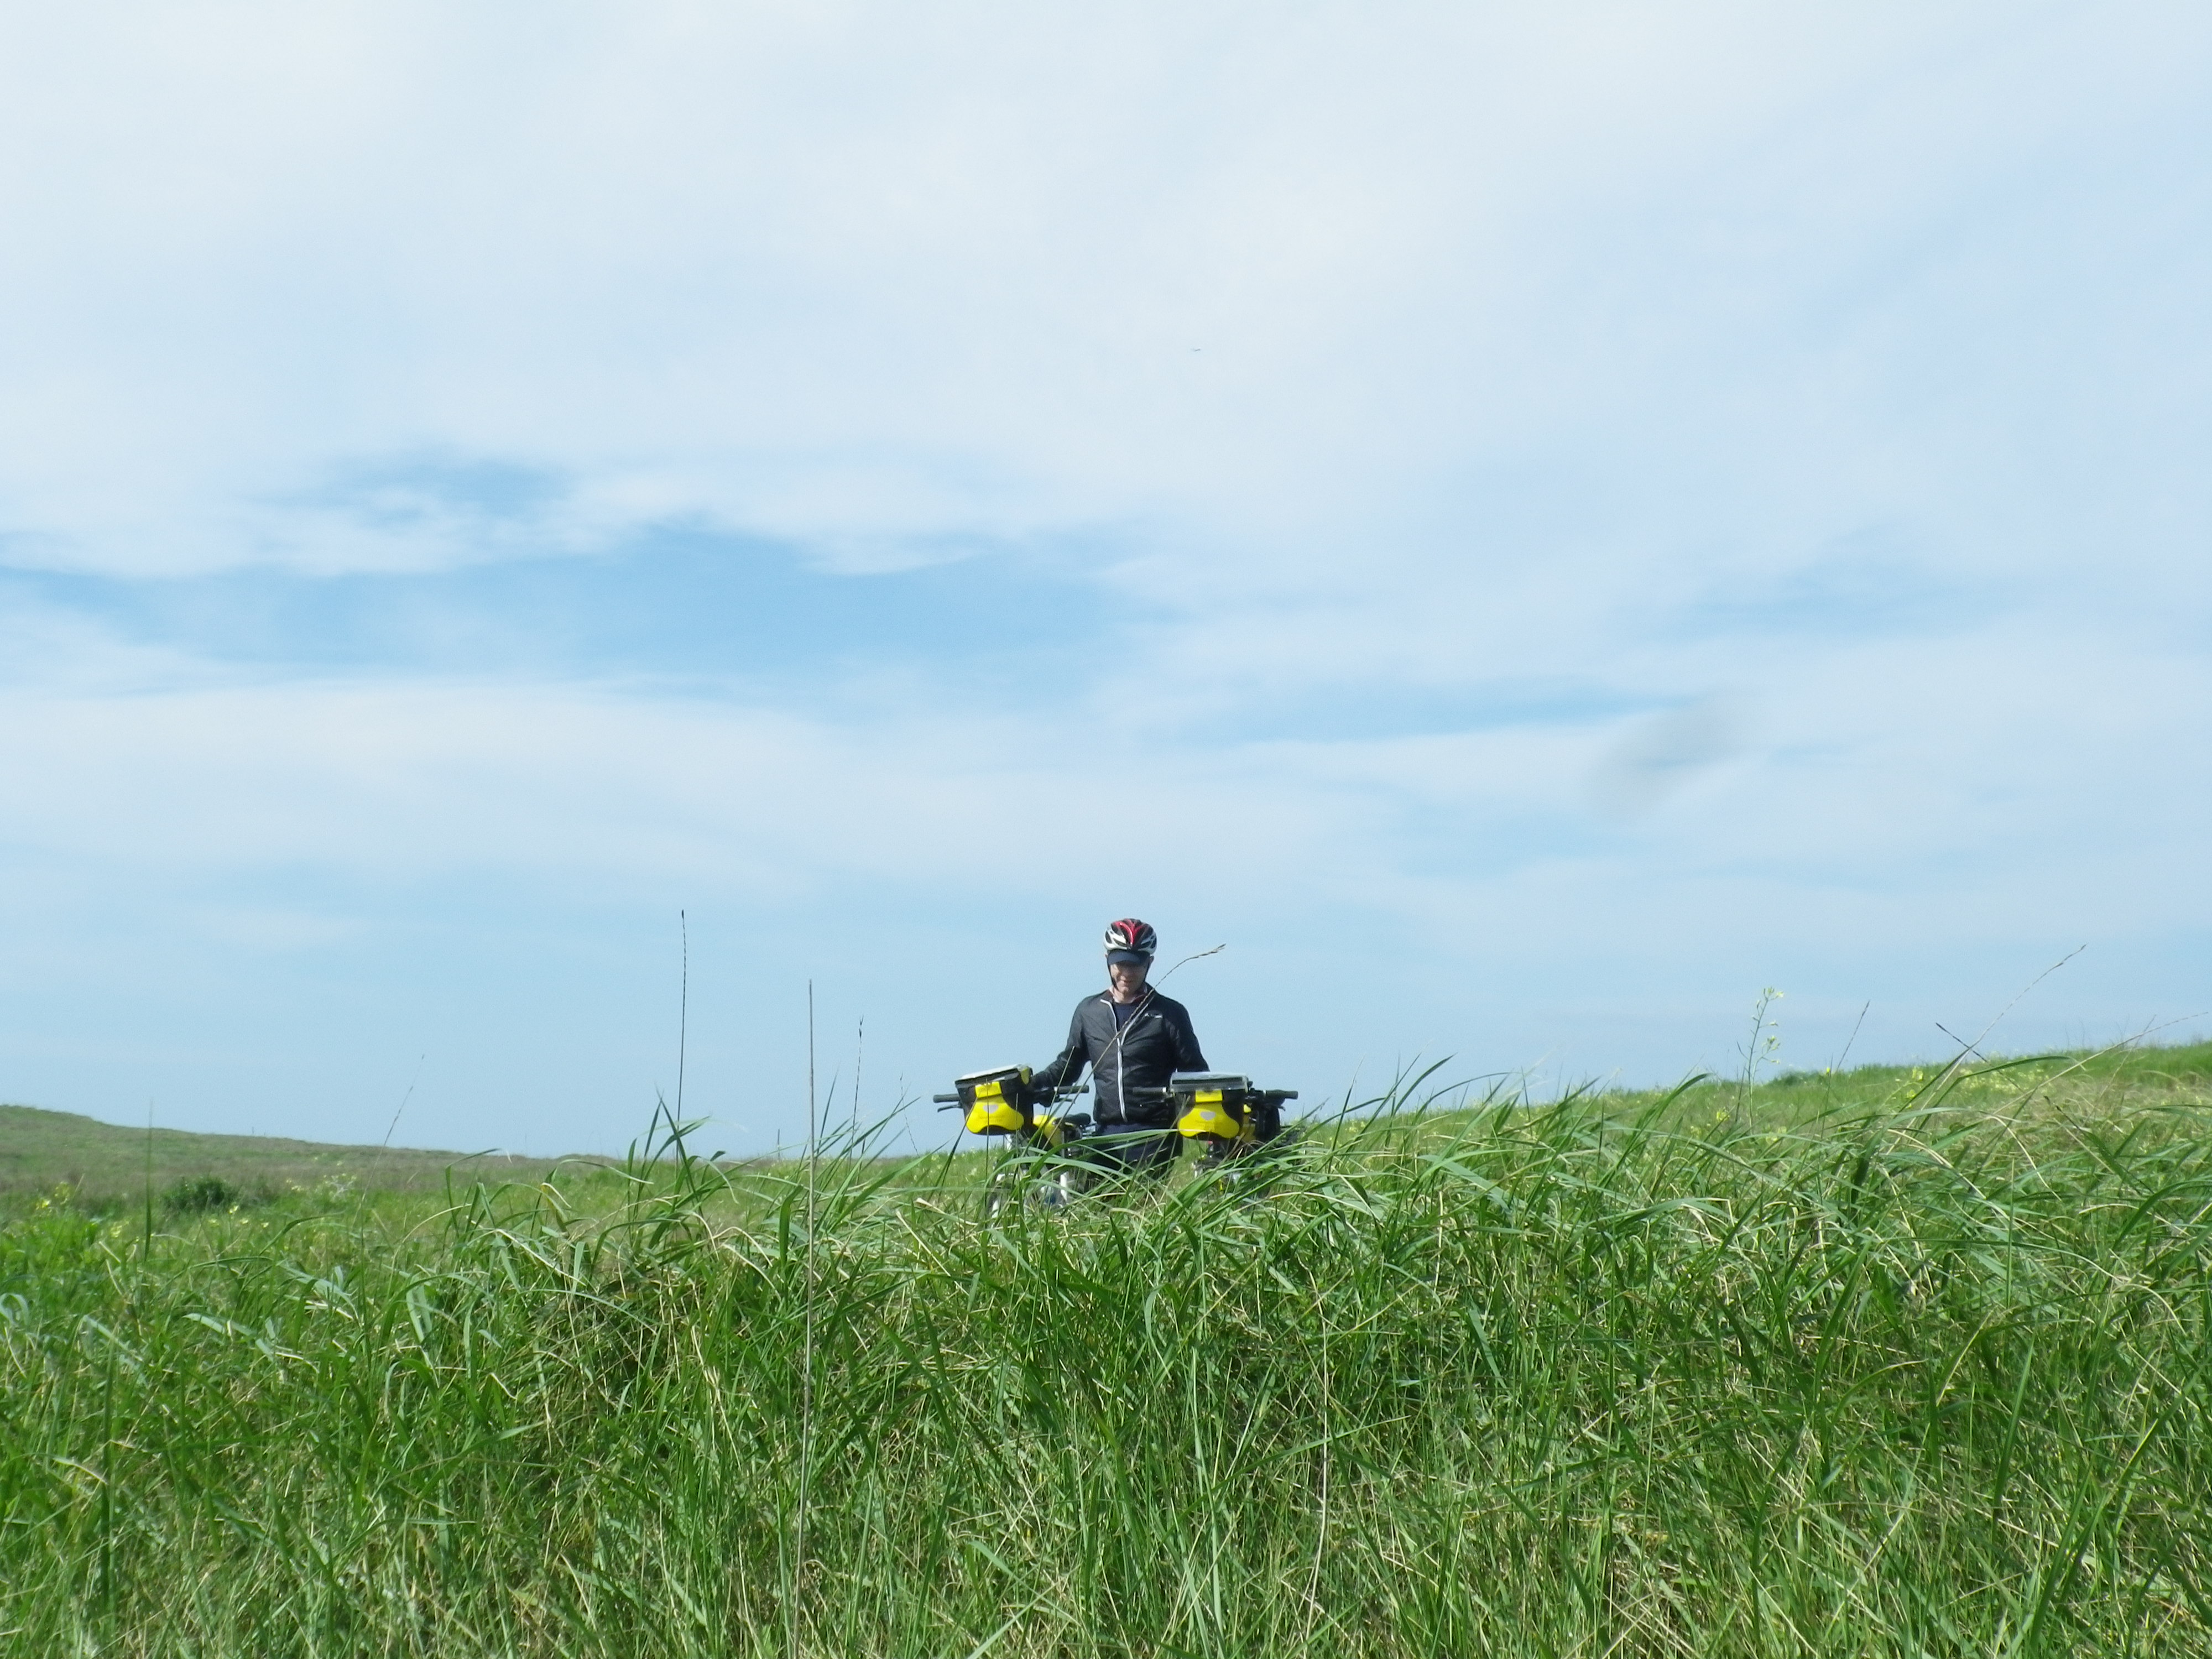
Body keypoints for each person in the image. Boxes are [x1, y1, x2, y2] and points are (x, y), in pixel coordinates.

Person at [1030, 919, 1207, 1176]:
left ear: (1150, 963)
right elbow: (1067, 1066)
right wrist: (1028, 1085)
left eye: (1136, 964)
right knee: (1096, 1211)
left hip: (1155, 1136)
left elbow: (1195, 1074)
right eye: (1121, 963)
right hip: (1105, 1136)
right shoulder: (1089, 1012)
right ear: (1107, 960)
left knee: (1142, 1212)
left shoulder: (1170, 1013)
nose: (1127, 972)